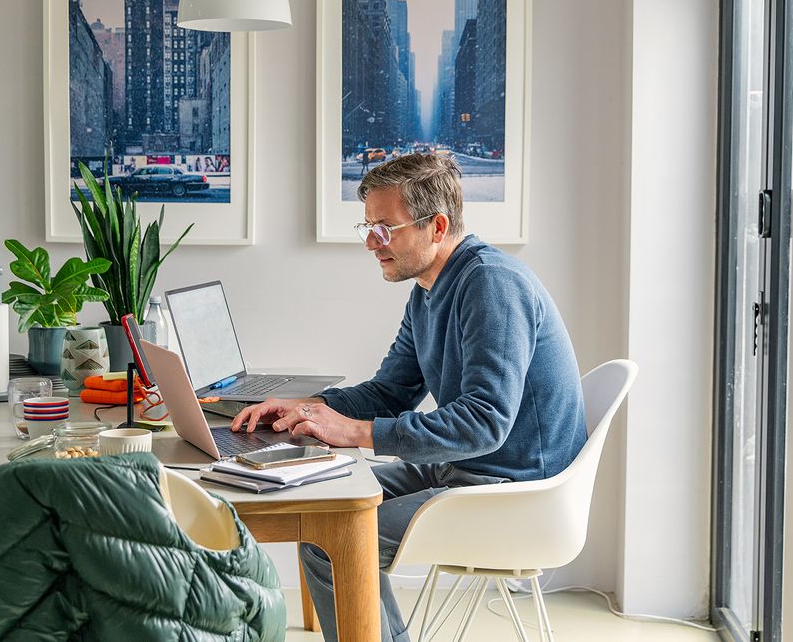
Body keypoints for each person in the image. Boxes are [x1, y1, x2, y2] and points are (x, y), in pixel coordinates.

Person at [231, 153, 587, 642]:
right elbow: (391, 391)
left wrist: (355, 433)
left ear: (436, 226)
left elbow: (484, 422)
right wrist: (309, 407)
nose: (372, 244)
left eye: (385, 228)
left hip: (512, 491)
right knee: (323, 518)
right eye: (368, 228)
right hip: (464, 469)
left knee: (333, 539)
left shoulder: (491, 284)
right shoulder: (427, 289)